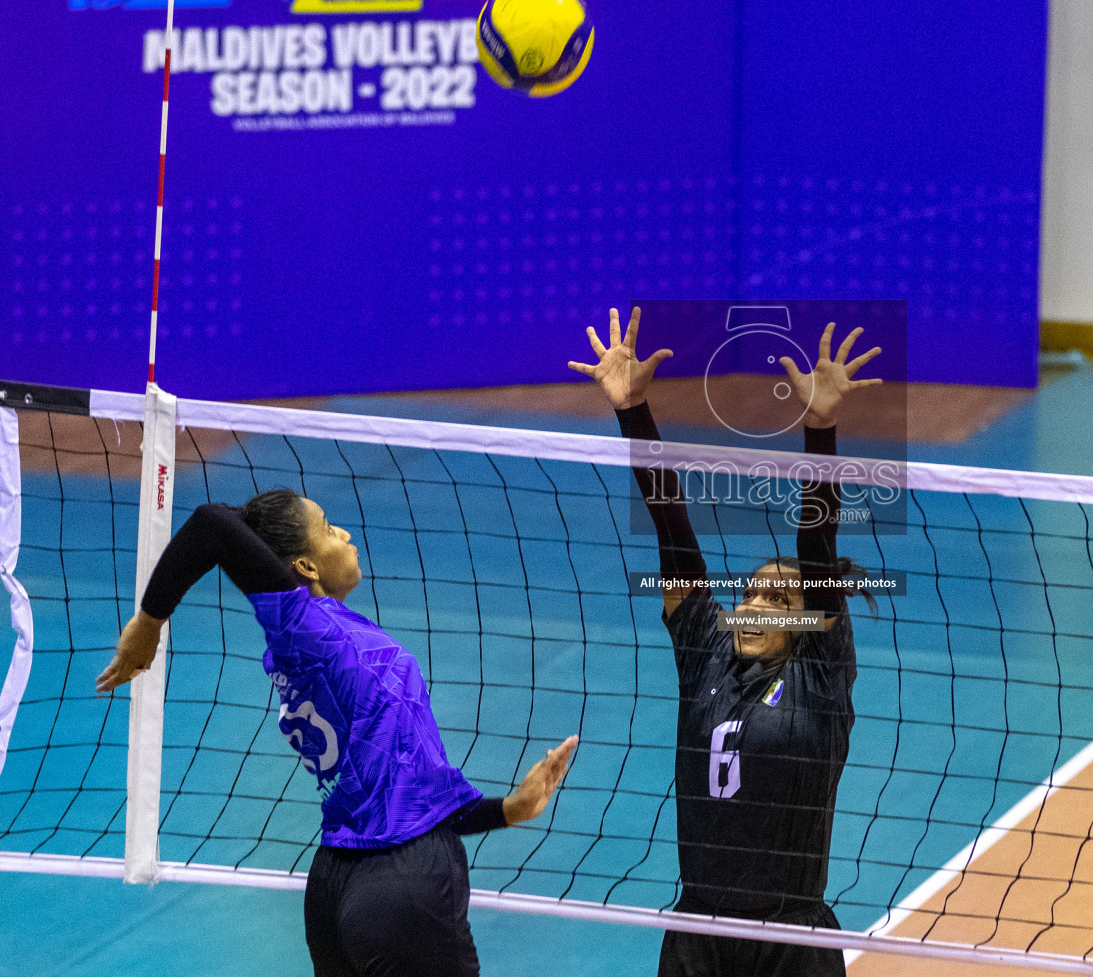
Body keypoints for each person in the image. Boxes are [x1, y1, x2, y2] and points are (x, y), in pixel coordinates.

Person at [97, 490, 578, 977]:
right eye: (328, 528)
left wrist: (509, 810)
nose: (344, 534)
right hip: (405, 886)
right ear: (305, 567)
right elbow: (212, 522)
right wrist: (150, 622)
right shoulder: (308, 630)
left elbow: (411, 802)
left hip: (340, 880)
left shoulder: (322, 639)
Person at [569, 307, 881, 977]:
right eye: (750, 593)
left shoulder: (818, 679)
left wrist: (820, 427)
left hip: (789, 942)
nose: (754, 604)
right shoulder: (706, 651)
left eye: (779, 600)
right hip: (697, 938)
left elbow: (817, 549)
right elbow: (672, 529)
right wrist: (634, 412)